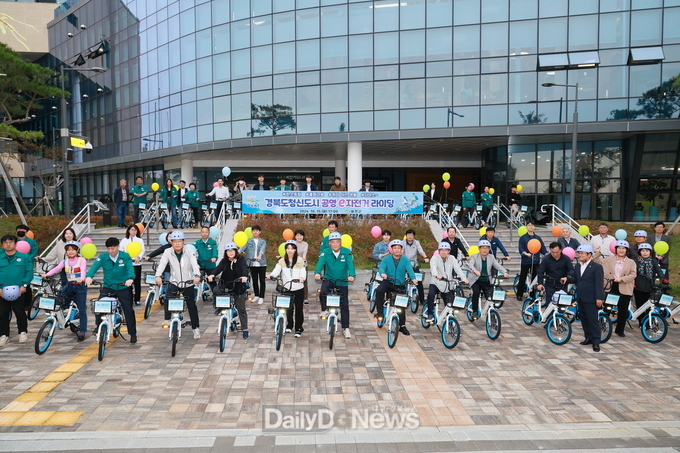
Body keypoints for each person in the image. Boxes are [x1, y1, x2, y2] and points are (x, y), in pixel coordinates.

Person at [85, 237, 137, 344]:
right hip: (108, 286)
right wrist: (89, 276)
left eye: (113, 248)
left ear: (118, 247)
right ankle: (99, 326)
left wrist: (130, 278)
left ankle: (132, 333)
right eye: (108, 249)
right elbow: (94, 267)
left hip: (123, 286)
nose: (110, 251)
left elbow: (130, 268)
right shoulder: (103, 257)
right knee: (99, 306)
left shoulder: (125, 256)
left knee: (128, 310)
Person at [154, 231, 202, 339]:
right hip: (174, 281)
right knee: (168, 299)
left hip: (187, 282)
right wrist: (157, 276)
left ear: (183, 242)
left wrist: (197, 275)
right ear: (171, 242)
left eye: (179, 241)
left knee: (191, 305)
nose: (177, 243)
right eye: (174, 241)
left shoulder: (189, 251)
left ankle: (196, 328)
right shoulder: (167, 252)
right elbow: (162, 264)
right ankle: (167, 319)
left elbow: (194, 264)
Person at [43, 241, 88, 341]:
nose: (70, 252)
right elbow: (57, 269)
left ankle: (82, 331)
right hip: (69, 285)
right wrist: (47, 275)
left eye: (73, 250)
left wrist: (82, 279)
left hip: (80, 286)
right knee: (59, 302)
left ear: (77, 251)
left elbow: (83, 270)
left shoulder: (81, 260)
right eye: (68, 250)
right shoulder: (65, 261)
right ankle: (61, 320)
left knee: (82, 309)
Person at [314, 232, 356, 339]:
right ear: (330, 244)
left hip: (342, 281)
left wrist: (352, 275)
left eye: (337, 242)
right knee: (323, 292)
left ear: (340, 243)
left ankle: (346, 328)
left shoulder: (346, 252)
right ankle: (325, 310)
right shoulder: (325, 252)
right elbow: (320, 263)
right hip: (329, 279)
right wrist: (317, 273)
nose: (335, 244)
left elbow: (350, 265)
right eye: (333, 242)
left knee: (344, 305)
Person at [373, 239, 417, 335]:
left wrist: (413, 278)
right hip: (388, 282)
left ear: (401, 249)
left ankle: (402, 326)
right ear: (391, 249)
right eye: (395, 248)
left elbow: (410, 269)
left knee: (401, 304)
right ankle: (379, 312)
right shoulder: (386, 259)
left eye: (399, 248)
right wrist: (383, 274)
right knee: (379, 290)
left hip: (400, 284)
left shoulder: (405, 260)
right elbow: (382, 268)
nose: (397, 250)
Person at [208, 242, 250, 339]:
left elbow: (244, 268)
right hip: (226, 285)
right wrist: (212, 274)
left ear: (236, 251)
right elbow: (218, 268)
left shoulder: (241, 259)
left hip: (238, 286)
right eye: (228, 251)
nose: (230, 253)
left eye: (232, 251)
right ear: (225, 252)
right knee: (216, 290)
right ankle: (219, 307)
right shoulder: (224, 261)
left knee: (241, 309)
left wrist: (244, 276)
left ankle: (245, 329)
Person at [568, 244, 604, 352]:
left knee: (593, 320)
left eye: (582, 253)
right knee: (584, 319)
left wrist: (599, 298)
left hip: (592, 298)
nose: (580, 255)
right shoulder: (578, 266)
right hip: (581, 297)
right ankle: (588, 337)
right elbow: (576, 279)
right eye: (579, 253)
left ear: (589, 254)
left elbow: (599, 283)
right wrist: (566, 279)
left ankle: (596, 341)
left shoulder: (596, 267)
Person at [0, 235, 33, 347]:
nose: (8, 244)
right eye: (5, 242)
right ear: (2, 244)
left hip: (19, 290)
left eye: (10, 242)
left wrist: (24, 285)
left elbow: (29, 272)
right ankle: (4, 335)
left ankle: (22, 332)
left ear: (16, 244)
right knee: (2, 313)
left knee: (20, 312)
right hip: (2, 290)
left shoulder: (24, 257)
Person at [268, 240, 306, 337]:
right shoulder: (282, 261)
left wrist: (302, 278)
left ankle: (298, 328)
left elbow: (303, 272)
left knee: (299, 309)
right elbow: (276, 270)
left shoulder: (300, 260)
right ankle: (289, 325)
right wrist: (271, 275)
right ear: (285, 249)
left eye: (292, 248)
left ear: (295, 250)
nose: (290, 250)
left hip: (298, 288)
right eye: (288, 248)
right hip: (286, 288)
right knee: (288, 308)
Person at [424, 242, 468, 323]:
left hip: (447, 284)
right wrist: (436, 275)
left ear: (449, 251)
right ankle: (430, 314)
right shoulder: (435, 258)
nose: (444, 252)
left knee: (449, 301)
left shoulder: (452, 258)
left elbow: (457, 269)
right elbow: (433, 267)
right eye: (442, 250)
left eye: (446, 250)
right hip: (436, 282)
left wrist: (464, 278)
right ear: (439, 251)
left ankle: (448, 317)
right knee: (431, 295)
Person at [467, 240, 509, 319]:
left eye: (487, 248)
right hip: (476, 280)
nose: (485, 250)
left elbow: (497, 265)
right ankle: (474, 310)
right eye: (483, 248)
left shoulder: (491, 257)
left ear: (489, 249)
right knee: (476, 292)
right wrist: (475, 271)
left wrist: (504, 272)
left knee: (490, 296)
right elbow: (470, 265)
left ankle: (490, 311)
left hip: (486, 280)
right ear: (479, 249)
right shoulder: (474, 256)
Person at [602, 240, 636, 338]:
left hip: (624, 287)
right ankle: (603, 326)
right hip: (612, 286)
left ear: (627, 250)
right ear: (616, 249)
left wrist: (622, 279)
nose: (621, 250)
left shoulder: (631, 262)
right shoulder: (610, 259)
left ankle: (620, 330)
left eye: (623, 248)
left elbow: (633, 275)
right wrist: (598, 252)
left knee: (623, 310)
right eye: (619, 248)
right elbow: (597, 262)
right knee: (607, 308)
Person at [632, 243, 664, 319]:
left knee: (649, 305)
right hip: (638, 285)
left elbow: (659, 271)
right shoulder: (635, 261)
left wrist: (663, 279)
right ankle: (641, 320)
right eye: (643, 251)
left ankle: (647, 321)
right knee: (640, 305)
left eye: (647, 251)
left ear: (650, 252)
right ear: (639, 252)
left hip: (650, 285)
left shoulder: (653, 261)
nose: (645, 252)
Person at [516, 222, 547, 301]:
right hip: (526, 261)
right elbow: (521, 248)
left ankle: (533, 295)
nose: (531, 227)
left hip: (536, 261)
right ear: (526, 227)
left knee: (534, 279)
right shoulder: (523, 238)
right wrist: (525, 253)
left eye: (532, 225)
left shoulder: (538, 238)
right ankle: (519, 294)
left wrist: (547, 254)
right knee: (523, 277)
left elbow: (542, 248)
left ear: (534, 227)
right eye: (529, 225)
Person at [536, 242, 573, 306]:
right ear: (550, 250)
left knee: (562, 305)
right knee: (549, 304)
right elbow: (540, 271)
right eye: (553, 252)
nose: (555, 254)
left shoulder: (566, 259)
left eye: (557, 252)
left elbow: (571, 270)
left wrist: (567, 278)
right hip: (550, 284)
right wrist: (540, 283)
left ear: (561, 250)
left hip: (562, 284)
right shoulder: (546, 259)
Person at [119, 224, 146, 306]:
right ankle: (129, 299)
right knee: (128, 282)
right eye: (132, 230)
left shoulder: (140, 240)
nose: (133, 231)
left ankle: (137, 299)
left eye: (135, 230)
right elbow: (121, 250)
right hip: (127, 264)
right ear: (128, 231)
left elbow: (142, 250)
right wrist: (126, 258)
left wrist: (139, 257)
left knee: (137, 282)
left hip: (137, 263)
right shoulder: (124, 240)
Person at [239, 225, 267, 304]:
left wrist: (260, 256)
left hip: (262, 264)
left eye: (257, 230)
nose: (255, 232)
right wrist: (235, 253)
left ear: (260, 232)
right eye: (254, 230)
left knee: (262, 280)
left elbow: (262, 249)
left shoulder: (263, 242)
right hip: (251, 263)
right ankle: (256, 295)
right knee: (254, 280)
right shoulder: (249, 241)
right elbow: (242, 248)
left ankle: (261, 297)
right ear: (252, 232)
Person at [403, 229, 429, 305]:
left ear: (414, 236)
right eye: (408, 235)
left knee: (419, 282)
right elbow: (400, 252)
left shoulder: (416, 242)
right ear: (406, 235)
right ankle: (403, 299)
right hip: (404, 265)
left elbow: (421, 251)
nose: (410, 236)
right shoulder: (402, 243)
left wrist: (425, 257)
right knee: (402, 282)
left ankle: (421, 299)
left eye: (411, 235)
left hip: (414, 265)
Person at [15, 224, 38, 312]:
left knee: (26, 284)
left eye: (22, 229)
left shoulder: (32, 242)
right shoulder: (14, 241)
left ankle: (27, 304)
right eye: (19, 229)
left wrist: (27, 259)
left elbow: (34, 252)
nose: (20, 231)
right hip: (15, 265)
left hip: (27, 265)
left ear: (26, 232)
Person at [195, 226, 218, 293]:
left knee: (212, 281)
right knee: (197, 280)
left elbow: (215, 251)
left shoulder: (213, 242)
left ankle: (215, 295)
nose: (204, 234)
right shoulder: (197, 242)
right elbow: (191, 249)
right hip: (200, 264)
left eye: (206, 232)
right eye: (203, 232)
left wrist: (214, 257)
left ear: (209, 233)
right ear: (201, 233)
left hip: (210, 265)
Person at [294, 230, 310, 304]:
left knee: (304, 281)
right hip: (294, 265)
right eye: (297, 235)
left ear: (303, 236)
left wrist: (303, 259)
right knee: (294, 280)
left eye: (301, 235)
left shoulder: (305, 244)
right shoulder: (292, 243)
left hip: (303, 265)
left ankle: (305, 298)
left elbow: (304, 253)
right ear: (295, 236)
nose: (299, 237)